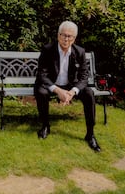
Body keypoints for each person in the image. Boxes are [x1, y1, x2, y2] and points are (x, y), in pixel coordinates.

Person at [34, 21, 101, 152]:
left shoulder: (80, 51)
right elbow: (42, 74)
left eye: (69, 36)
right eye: (63, 35)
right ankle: (45, 126)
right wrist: (58, 90)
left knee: (88, 93)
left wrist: (72, 92)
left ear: (74, 38)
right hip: (52, 84)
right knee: (41, 92)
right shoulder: (48, 49)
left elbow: (84, 76)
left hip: (70, 85)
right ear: (58, 36)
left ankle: (90, 134)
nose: (66, 38)